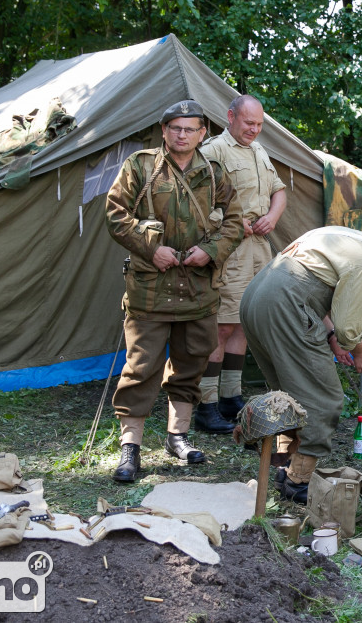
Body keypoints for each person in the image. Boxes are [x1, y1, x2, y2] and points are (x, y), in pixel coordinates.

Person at [105, 100, 244, 482]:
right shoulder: (140, 166)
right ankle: (130, 446)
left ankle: (177, 436)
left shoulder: (214, 173)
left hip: (199, 287)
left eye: (190, 129)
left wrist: (211, 251)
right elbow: (116, 214)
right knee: (141, 366)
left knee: (193, 361)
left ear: (202, 133)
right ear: (164, 130)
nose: (182, 135)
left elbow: (234, 221)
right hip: (151, 286)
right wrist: (152, 248)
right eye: (175, 128)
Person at [240, 226, 362, 503]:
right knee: (325, 399)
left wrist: (331, 334)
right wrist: (360, 351)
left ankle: (284, 467)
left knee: (289, 394)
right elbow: (349, 326)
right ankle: (297, 481)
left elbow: (314, 290)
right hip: (283, 304)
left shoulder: (342, 235)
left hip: (256, 298)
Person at [194, 95, 287, 434]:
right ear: (230, 116)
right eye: (249, 123)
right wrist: (234, 224)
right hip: (230, 248)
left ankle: (231, 396)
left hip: (259, 248)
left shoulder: (259, 151)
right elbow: (198, 201)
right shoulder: (214, 150)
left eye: (259, 124)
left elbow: (279, 191)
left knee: (245, 321)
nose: (254, 129)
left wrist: (273, 217)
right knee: (221, 324)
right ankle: (206, 404)